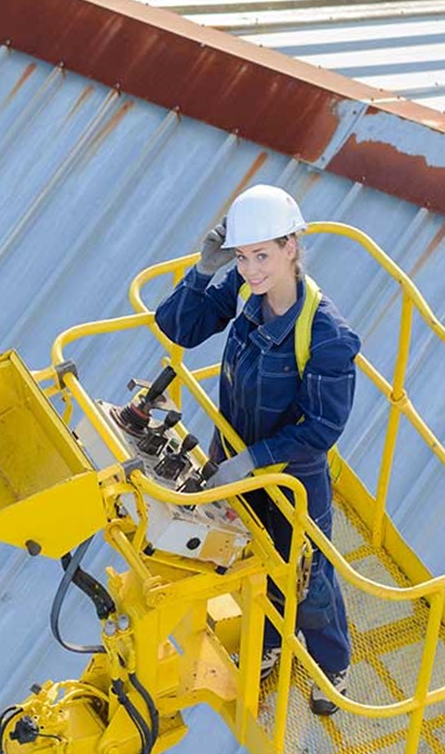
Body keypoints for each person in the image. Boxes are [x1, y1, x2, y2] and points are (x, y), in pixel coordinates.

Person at [153, 183, 359, 716]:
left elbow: (321, 427)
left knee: (307, 576)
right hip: (236, 462)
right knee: (251, 556)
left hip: (291, 478)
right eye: (243, 257)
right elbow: (177, 326)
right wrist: (203, 271)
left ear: (292, 247)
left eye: (261, 255)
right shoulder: (247, 292)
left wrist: (251, 461)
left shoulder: (327, 334)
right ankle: (269, 644)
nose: (250, 269)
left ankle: (331, 663)